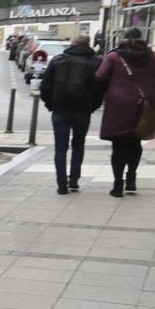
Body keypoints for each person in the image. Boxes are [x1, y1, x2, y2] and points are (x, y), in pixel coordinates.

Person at [94, 27, 155, 197]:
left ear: (124, 39)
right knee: (136, 140)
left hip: (118, 105)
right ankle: (131, 180)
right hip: (145, 104)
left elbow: (99, 77)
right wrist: (152, 98)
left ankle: (118, 185)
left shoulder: (114, 56)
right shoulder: (154, 57)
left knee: (119, 144)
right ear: (142, 38)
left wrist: (106, 94)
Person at [39, 33, 102, 195]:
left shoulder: (58, 60)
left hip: (60, 109)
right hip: (83, 110)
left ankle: (61, 184)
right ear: (89, 44)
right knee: (78, 144)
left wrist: (50, 104)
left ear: (72, 44)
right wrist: (93, 105)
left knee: (60, 147)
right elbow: (99, 88)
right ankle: (74, 179)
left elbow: (45, 87)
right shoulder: (96, 62)